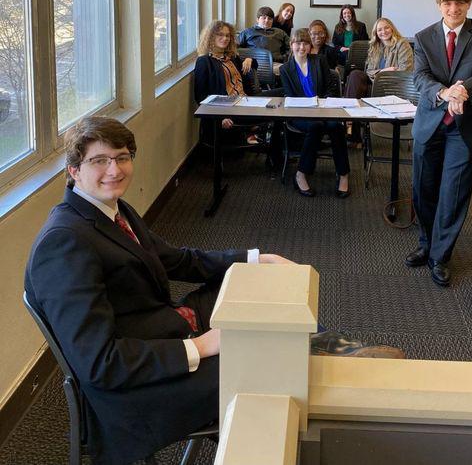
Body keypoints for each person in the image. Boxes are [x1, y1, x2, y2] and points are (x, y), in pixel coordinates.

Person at [24, 116, 293, 464]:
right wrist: (201, 346)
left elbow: (178, 260)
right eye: (99, 160)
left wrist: (255, 259)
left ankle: (325, 348)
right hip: (135, 392)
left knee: (254, 289)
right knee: (273, 365)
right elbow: (100, 363)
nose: (114, 170)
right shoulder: (64, 243)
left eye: (122, 157)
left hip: (159, 330)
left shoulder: (111, 210)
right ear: (74, 170)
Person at [405, 0, 472, 287]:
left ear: (468, 4)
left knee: (453, 193)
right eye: (448, 3)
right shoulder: (424, 37)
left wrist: (464, 88)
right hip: (430, 124)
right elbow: (420, 77)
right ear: (439, 5)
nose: (454, 8)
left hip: (463, 129)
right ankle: (426, 243)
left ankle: (440, 256)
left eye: (460, 3)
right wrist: (444, 92)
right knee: (424, 190)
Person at [280, 28, 350, 198]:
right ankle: (301, 174)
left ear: (310, 46)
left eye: (305, 43)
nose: (302, 47)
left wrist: (323, 102)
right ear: (291, 45)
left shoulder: (319, 61)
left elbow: (330, 88)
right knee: (315, 126)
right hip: (300, 114)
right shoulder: (285, 69)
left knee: (336, 127)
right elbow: (290, 96)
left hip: (323, 109)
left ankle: (343, 174)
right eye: (298, 43)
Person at [343, 17, 414, 145]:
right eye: (379, 30)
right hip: (374, 81)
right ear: (376, 33)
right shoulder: (375, 46)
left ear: (392, 28)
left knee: (358, 89)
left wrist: (381, 74)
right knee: (355, 75)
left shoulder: (402, 44)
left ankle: (350, 128)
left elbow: (405, 70)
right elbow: (369, 70)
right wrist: (384, 71)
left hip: (393, 85)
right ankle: (349, 119)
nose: (383, 32)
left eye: (386, 28)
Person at [194, 20, 262, 146]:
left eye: (227, 35)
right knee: (274, 116)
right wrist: (220, 117)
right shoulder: (204, 61)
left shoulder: (232, 57)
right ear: (211, 37)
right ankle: (253, 134)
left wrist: (250, 59)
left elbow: (253, 66)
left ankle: (258, 137)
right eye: (220, 35)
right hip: (228, 109)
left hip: (247, 101)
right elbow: (201, 96)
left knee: (280, 99)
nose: (225, 38)